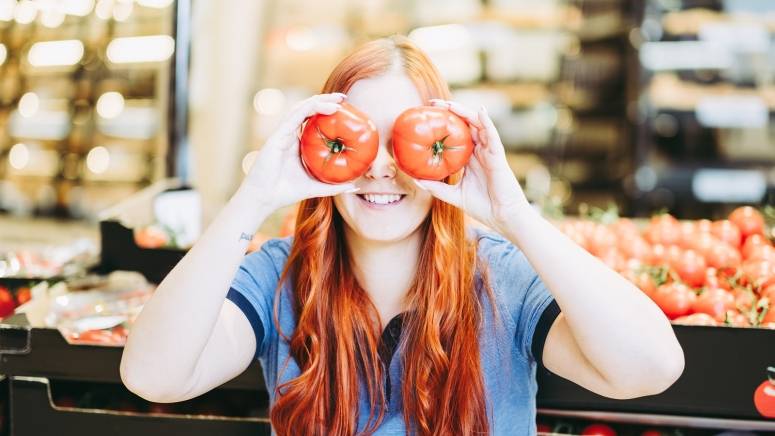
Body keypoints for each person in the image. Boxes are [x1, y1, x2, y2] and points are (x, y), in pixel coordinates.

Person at [120, 35, 684, 435]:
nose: (382, 168)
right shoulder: (279, 276)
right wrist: (254, 197)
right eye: (359, 140)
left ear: (447, 150)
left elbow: (651, 368)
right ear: (321, 147)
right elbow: (153, 377)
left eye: (408, 140)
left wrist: (515, 214)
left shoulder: (499, 277)